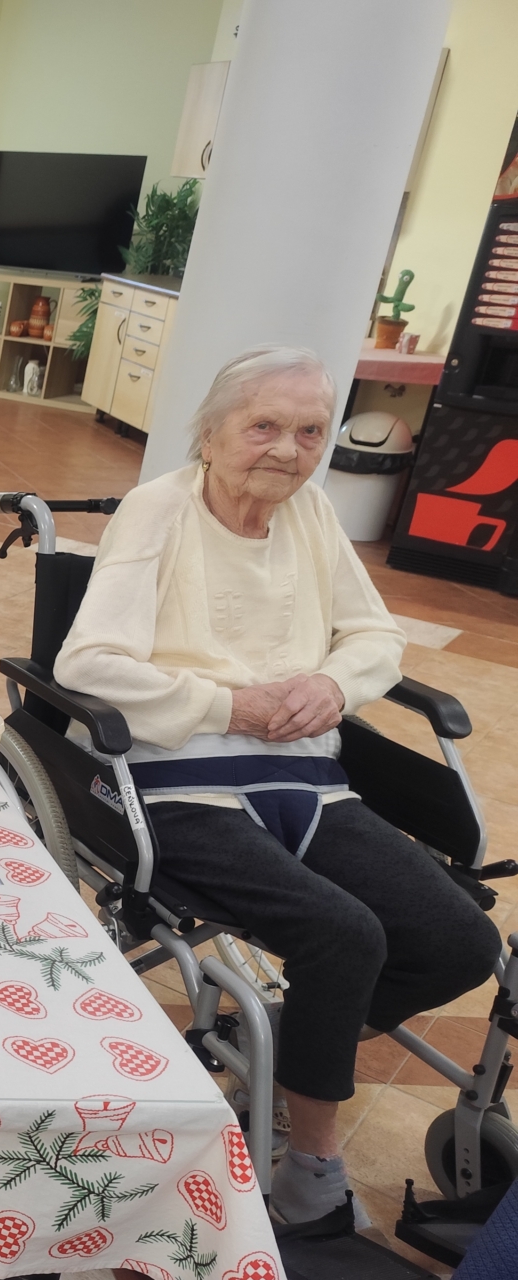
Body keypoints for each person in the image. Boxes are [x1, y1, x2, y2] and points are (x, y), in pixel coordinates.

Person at [53, 345, 501, 1225]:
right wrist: (230, 703)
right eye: (263, 426)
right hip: (176, 777)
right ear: (211, 432)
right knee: (344, 934)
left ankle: (286, 1050)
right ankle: (313, 1167)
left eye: (310, 432)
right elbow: (89, 663)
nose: (288, 451)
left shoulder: (310, 515)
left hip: (305, 779)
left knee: (460, 941)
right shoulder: (159, 509)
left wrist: (334, 684)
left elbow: (376, 636)